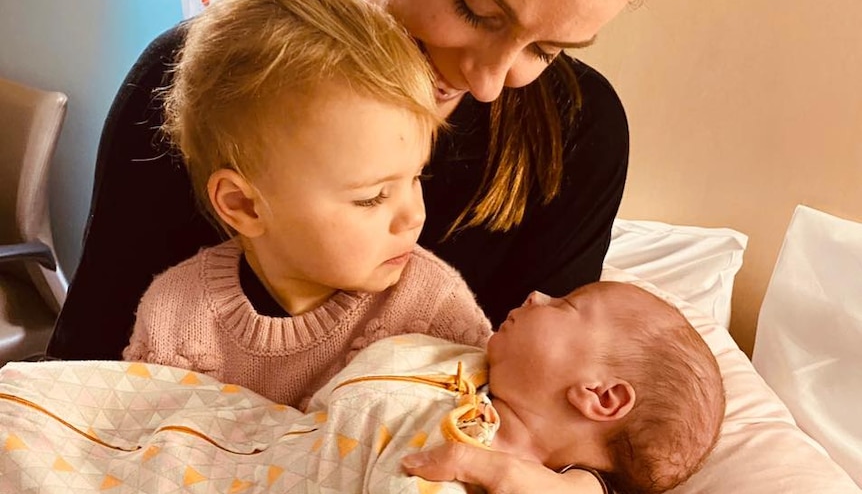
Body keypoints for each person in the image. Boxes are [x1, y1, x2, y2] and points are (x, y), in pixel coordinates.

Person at [48, 0, 672, 490]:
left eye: (548, 49)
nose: (487, 81)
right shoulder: (208, 90)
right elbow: (85, 391)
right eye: (476, 8)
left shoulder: (577, 132)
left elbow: (568, 425)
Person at [121, 0, 493, 409]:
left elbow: (481, 439)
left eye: (415, 178)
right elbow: (145, 455)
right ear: (243, 204)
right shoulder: (175, 319)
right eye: (372, 197)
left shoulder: (433, 311)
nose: (413, 215)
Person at [1, 282, 724, 494]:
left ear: (601, 397)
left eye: (564, 306)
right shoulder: (471, 364)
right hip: (232, 426)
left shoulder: (486, 463)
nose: (535, 292)